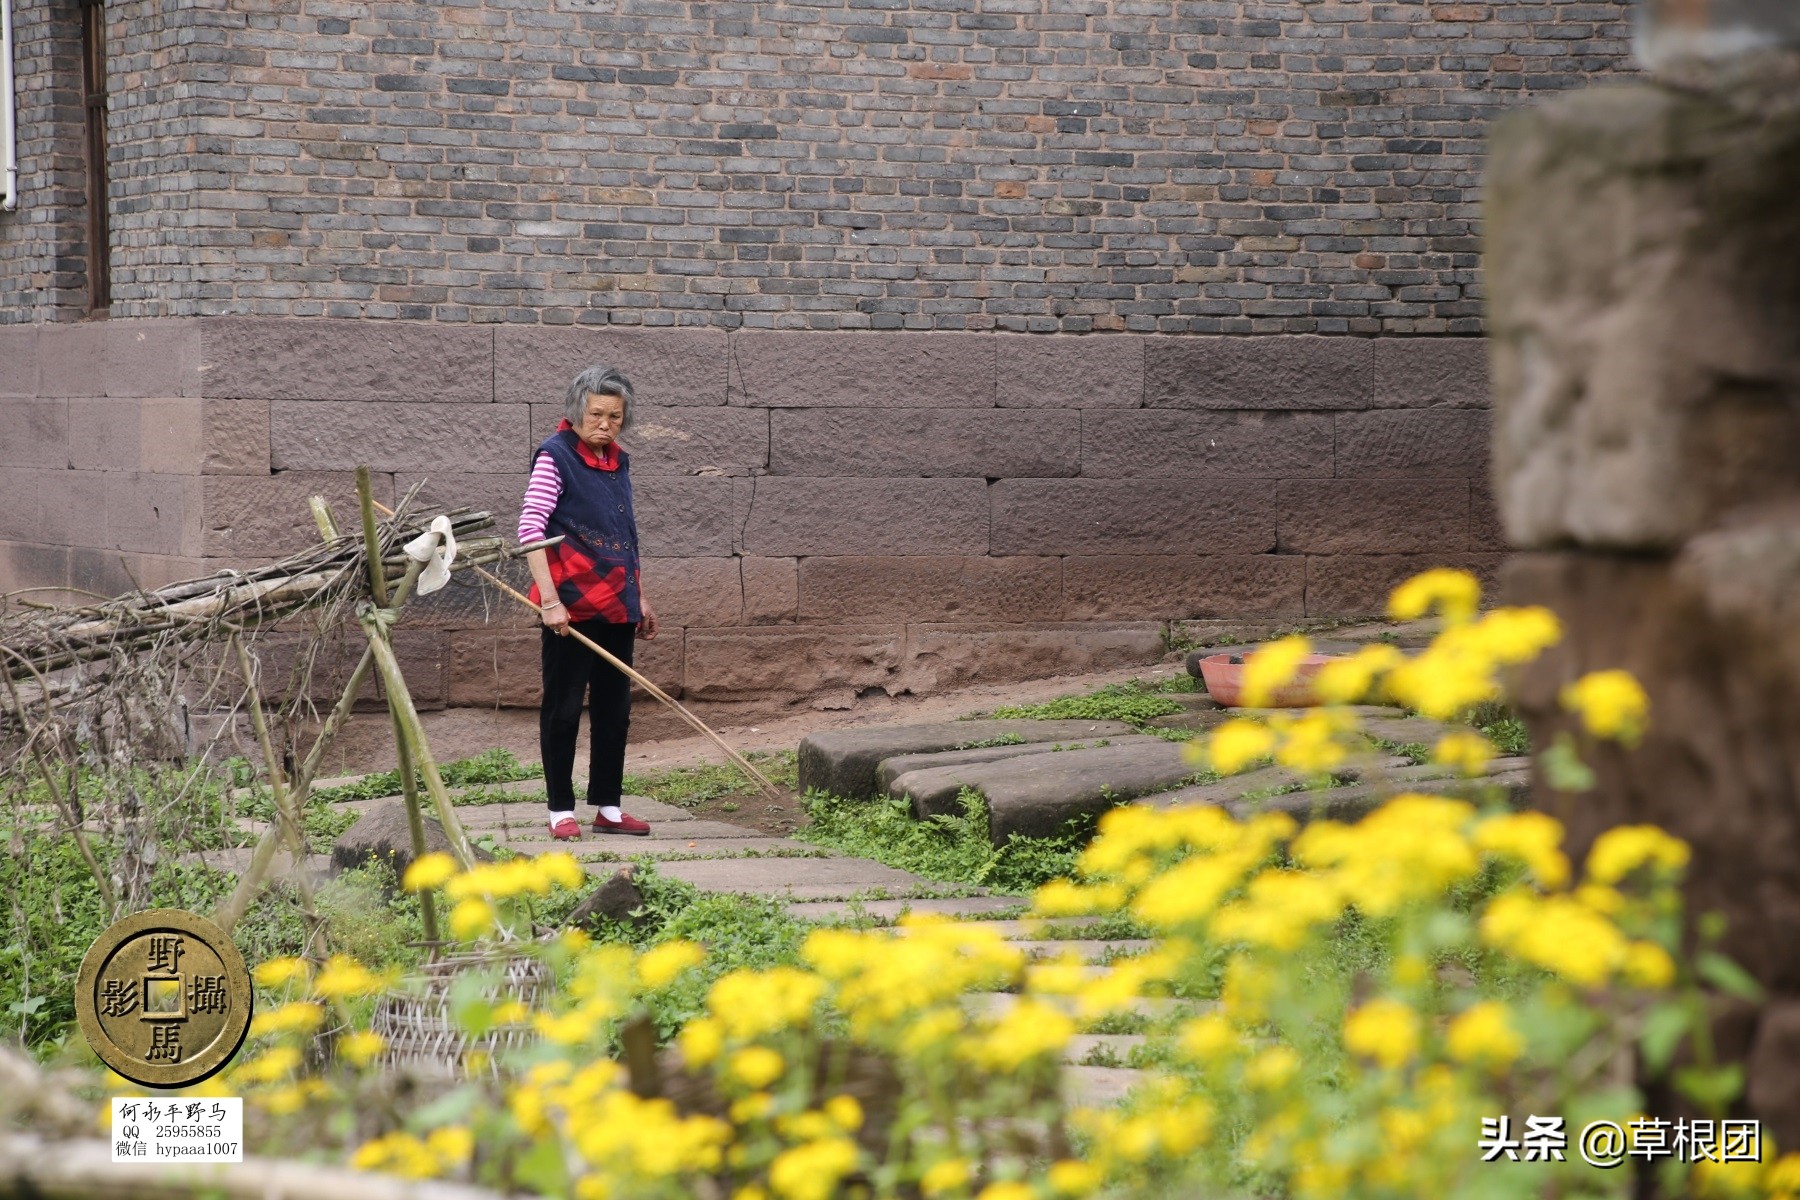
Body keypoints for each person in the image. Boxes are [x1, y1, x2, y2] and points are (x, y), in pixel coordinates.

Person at [519, 365, 659, 840]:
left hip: (617, 605)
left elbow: (626, 535)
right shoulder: (555, 456)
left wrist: (640, 597)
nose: (605, 424)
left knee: (614, 709)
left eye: (615, 416)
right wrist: (550, 602)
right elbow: (530, 531)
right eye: (596, 413)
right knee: (562, 707)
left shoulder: (618, 461)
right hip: (570, 609)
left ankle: (608, 807)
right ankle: (560, 810)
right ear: (577, 411)